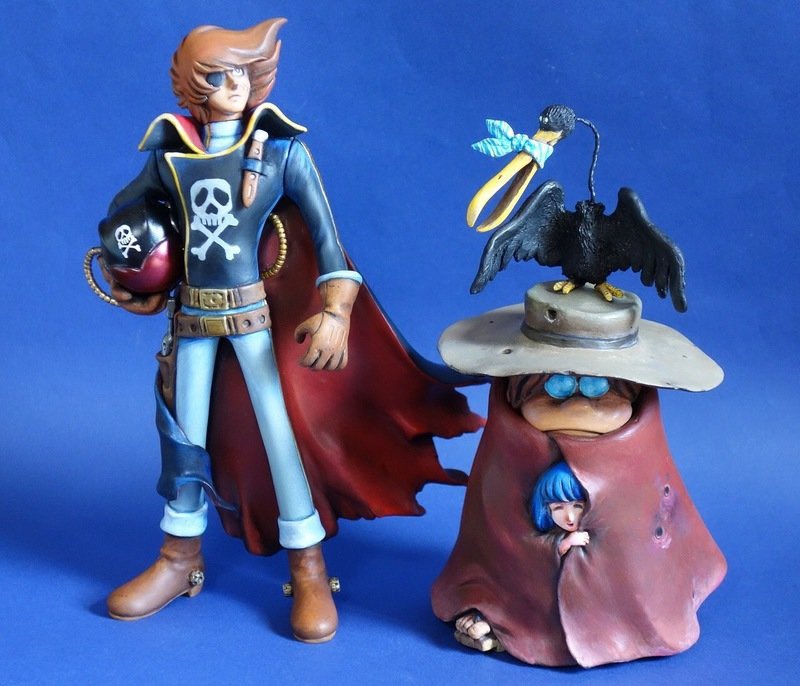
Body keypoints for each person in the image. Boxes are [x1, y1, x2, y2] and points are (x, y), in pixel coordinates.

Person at [94, 18, 481, 643]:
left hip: (254, 319)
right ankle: (178, 557)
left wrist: (336, 313)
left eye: (243, 73)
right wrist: (138, 276)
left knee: (280, 436)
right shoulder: (170, 154)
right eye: (219, 76)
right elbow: (125, 219)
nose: (235, 86)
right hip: (193, 318)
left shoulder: (280, 152)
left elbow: (329, 244)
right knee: (184, 439)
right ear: (192, 85)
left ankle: (308, 567)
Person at [432, 283, 727, 666]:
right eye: (557, 386)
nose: (578, 403)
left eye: (598, 387)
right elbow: (496, 539)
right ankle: (506, 617)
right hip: (520, 592)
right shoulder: (505, 456)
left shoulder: (641, 457)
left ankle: (623, 624)